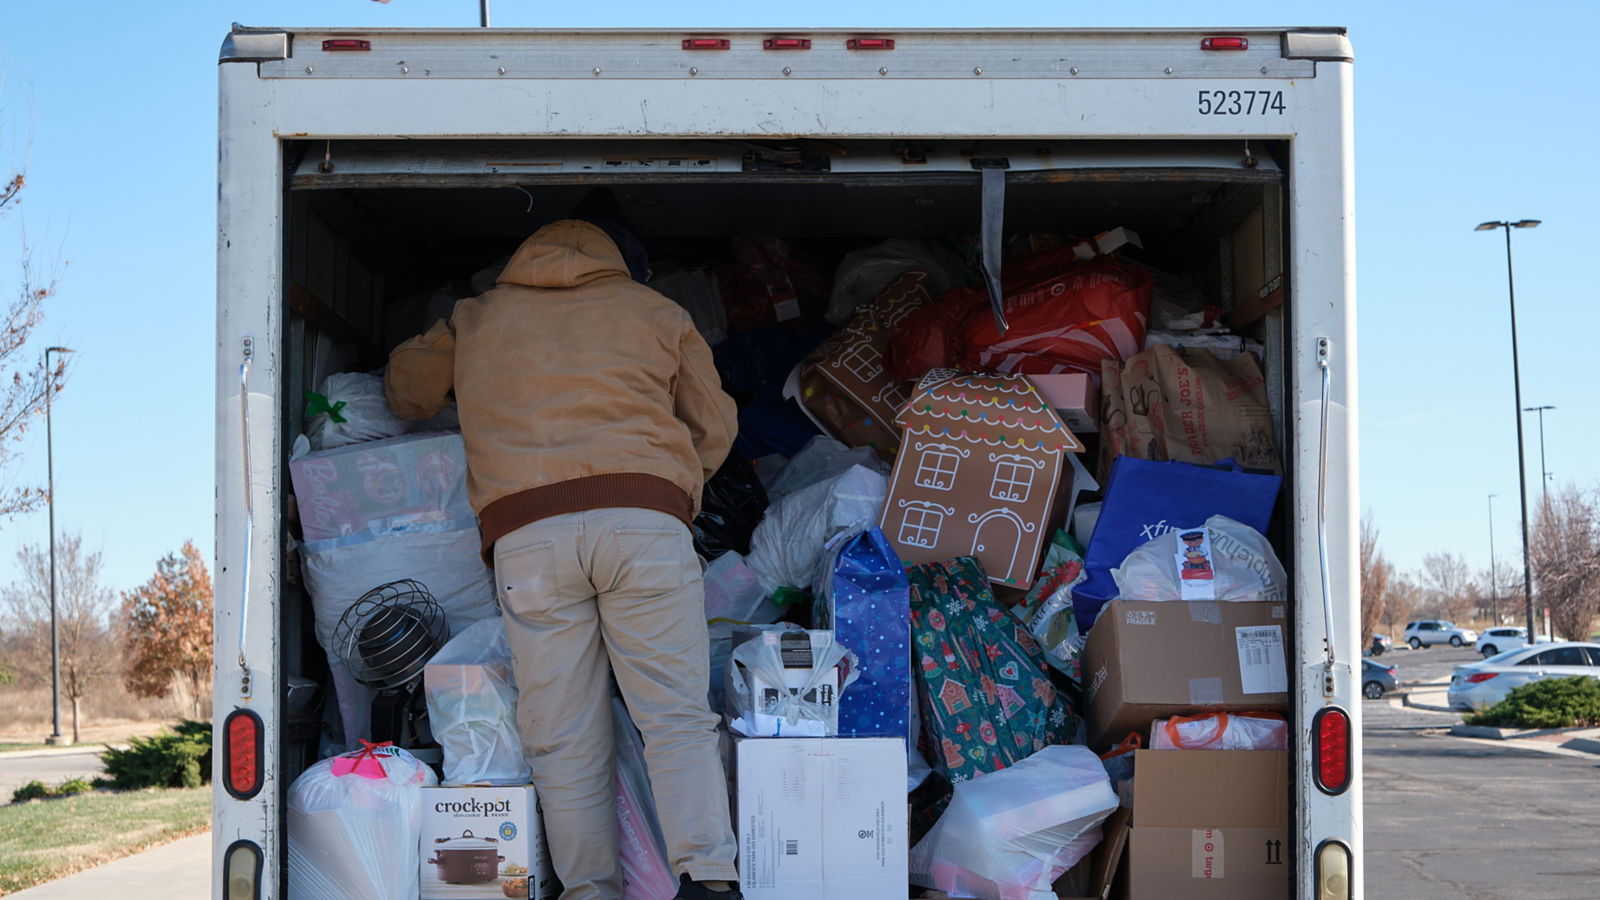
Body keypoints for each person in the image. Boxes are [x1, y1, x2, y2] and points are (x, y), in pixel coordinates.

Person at [386, 194, 743, 900]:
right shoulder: (656, 312)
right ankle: (707, 877)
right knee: (673, 717)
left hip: (530, 543)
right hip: (644, 529)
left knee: (563, 734)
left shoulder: (476, 317)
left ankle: (589, 890)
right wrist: (668, 489)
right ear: (623, 261)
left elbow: (405, 392)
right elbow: (716, 427)